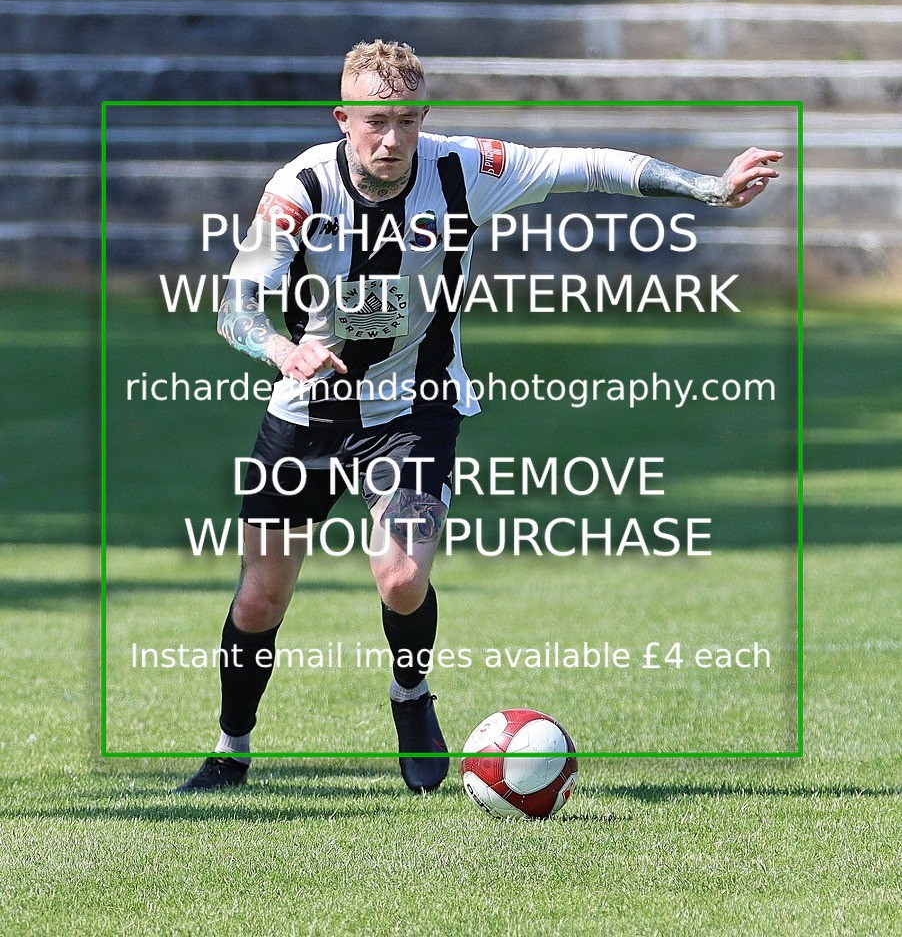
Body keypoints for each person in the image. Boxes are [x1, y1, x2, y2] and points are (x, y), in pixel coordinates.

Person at [176, 39, 781, 793]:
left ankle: (410, 696)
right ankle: (231, 750)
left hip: (416, 406)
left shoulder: (463, 169)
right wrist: (279, 348)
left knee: (401, 576)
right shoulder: (300, 189)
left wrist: (709, 188)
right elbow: (235, 306)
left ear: (423, 117)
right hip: (307, 412)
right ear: (343, 119)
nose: (391, 138)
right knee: (260, 597)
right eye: (374, 122)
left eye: (406, 121)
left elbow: (585, 165)